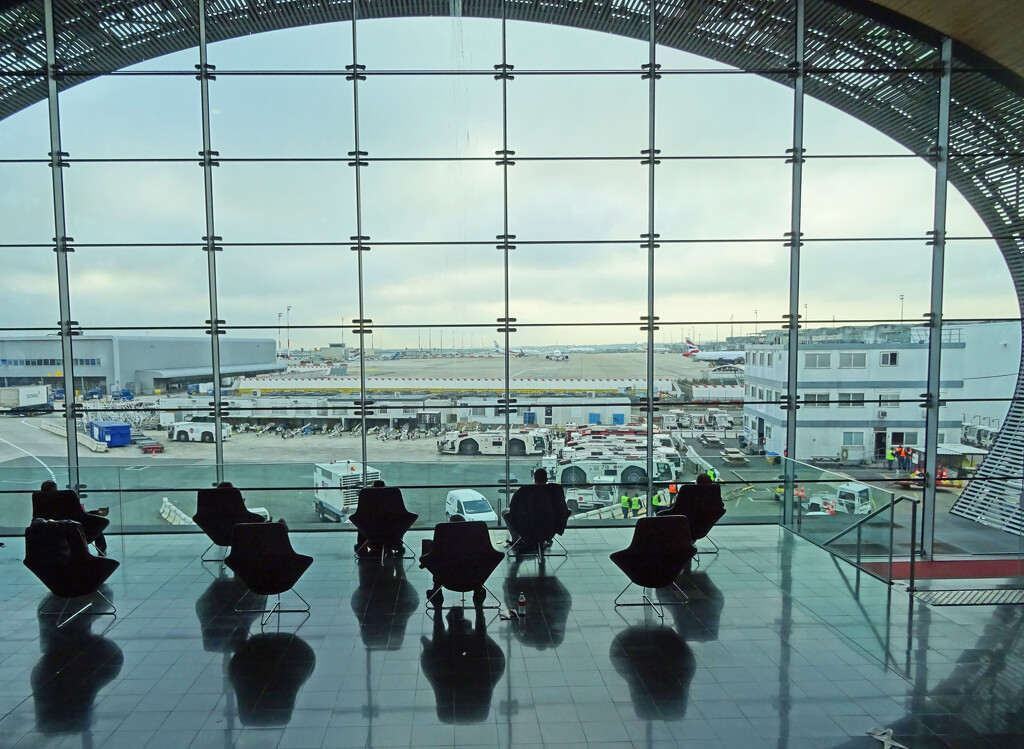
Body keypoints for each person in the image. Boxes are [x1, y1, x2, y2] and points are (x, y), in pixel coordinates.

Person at [424, 514, 486, 607]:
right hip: (472, 580)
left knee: (435, 555)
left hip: (447, 579)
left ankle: (436, 590)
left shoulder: (443, 546)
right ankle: (478, 590)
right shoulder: (476, 545)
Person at [503, 468, 570, 553]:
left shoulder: (524, 491)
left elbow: (513, 508)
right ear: (546, 479)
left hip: (527, 530)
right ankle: (541, 541)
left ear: (534, 479)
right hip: (550, 529)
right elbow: (562, 509)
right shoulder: (555, 490)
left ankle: (517, 539)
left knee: (505, 512)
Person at [39, 480, 109, 556]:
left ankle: (97, 513)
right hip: (70, 527)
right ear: (55, 489)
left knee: (90, 517)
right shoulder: (59, 499)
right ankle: (102, 550)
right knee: (96, 523)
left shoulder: (40, 500)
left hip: (54, 526)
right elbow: (77, 515)